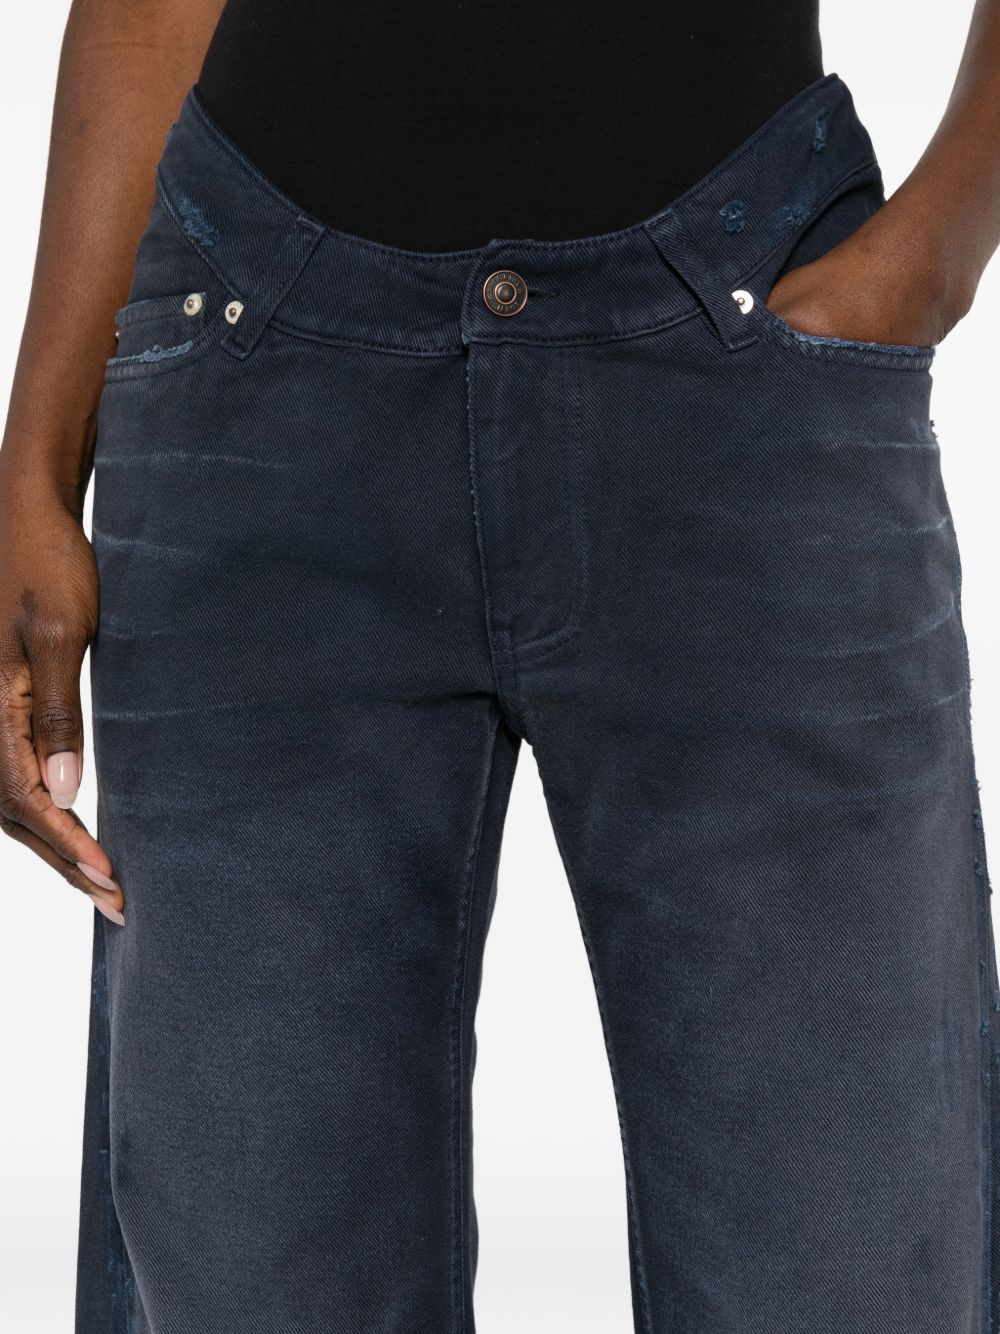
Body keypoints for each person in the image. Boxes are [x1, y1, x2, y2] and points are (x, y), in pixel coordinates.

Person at [1, 1, 998, 1330]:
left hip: (747, 381)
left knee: (848, 1261)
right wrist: (33, 463)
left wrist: (935, 254)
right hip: (257, 386)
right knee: (244, 1272)